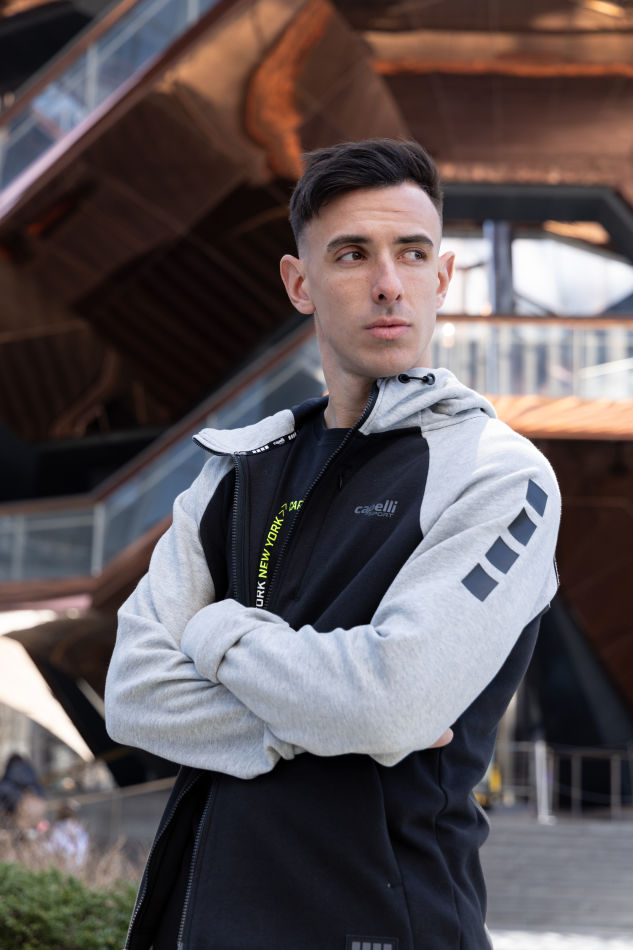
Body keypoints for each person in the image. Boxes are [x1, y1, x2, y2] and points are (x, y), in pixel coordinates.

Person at [105, 139, 560, 950]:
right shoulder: (233, 472)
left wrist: (214, 631)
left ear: (441, 278)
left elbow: (389, 704)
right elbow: (135, 695)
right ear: (299, 283)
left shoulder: (496, 475)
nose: (387, 283)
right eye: (352, 254)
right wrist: (325, 719)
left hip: (381, 926)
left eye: (410, 253)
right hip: (195, 927)